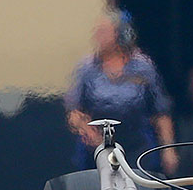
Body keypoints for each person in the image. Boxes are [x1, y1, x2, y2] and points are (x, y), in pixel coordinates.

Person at [66, 10, 178, 176]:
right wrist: (88, 131)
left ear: (120, 34)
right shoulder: (86, 69)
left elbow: (160, 111)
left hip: (138, 147)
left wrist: (168, 149)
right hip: (97, 150)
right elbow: (74, 111)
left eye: (104, 31)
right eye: (97, 31)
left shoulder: (142, 67)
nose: (98, 36)